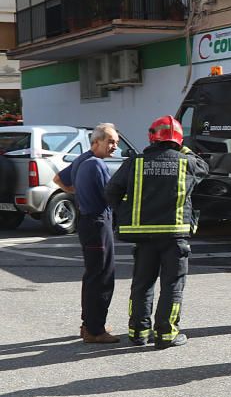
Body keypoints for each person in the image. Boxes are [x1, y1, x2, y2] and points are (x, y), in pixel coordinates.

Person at [105, 116, 208, 349]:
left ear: (152, 136)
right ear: (179, 139)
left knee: (142, 285)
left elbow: (111, 191)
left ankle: (138, 332)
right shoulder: (186, 162)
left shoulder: (135, 162)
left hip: (143, 237)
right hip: (175, 236)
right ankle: (166, 334)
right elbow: (204, 167)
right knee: (172, 286)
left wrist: (126, 212)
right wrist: (182, 147)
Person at [53, 123, 121, 344]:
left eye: (116, 143)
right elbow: (110, 196)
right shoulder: (96, 165)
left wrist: (79, 193)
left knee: (93, 274)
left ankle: (89, 324)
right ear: (96, 142)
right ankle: (95, 330)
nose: (114, 147)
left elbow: (59, 180)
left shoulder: (82, 159)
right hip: (97, 223)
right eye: (110, 141)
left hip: (87, 222)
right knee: (102, 276)